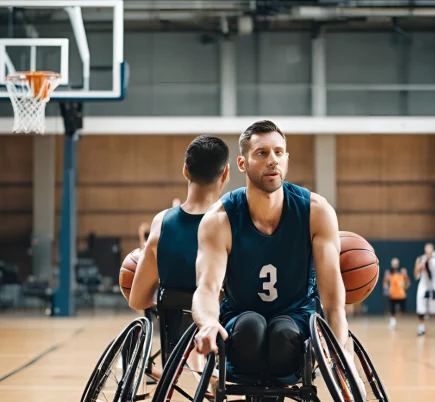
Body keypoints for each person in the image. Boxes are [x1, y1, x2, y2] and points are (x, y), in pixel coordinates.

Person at [192, 120, 353, 385]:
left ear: (287, 159)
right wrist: (208, 322)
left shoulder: (316, 212)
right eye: (262, 153)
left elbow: (334, 304)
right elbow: (207, 288)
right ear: (242, 164)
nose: (273, 161)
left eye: (279, 152)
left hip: (297, 323)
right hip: (240, 327)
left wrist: (343, 356)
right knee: (251, 328)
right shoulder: (218, 220)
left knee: (283, 334)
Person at [129, 135, 230, 376]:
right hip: (227, 340)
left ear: (185, 170)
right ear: (225, 174)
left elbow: (137, 300)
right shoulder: (234, 222)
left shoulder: (161, 223)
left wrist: (170, 300)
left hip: (176, 340)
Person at [414, 243, 435, 336]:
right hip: (423, 287)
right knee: (421, 309)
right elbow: (416, 274)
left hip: (434, 287)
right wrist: (420, 267)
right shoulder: (420, 260)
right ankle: (421, 327)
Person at [383, 258, 410, 330]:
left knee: (402, 311)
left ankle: (393, 319)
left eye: (396, 264)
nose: (394, 265)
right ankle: (392, 321)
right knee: (392, 311)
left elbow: (407, 285)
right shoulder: (389, 274)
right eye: (393, 264)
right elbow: (385, 284)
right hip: (393, 296)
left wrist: (406, 277)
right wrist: (386, 288)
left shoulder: (402, 274)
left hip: (401, 296)